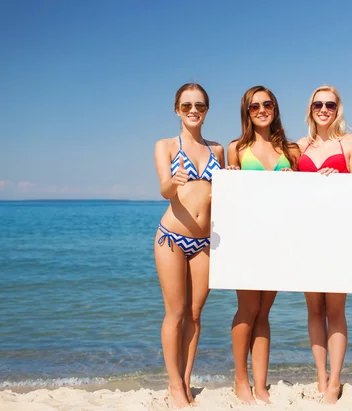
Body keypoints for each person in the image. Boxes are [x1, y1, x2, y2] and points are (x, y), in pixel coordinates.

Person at [226, 85, 300, 404]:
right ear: (246, 111)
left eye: (266, 104)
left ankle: (260, 384)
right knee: (247, 309)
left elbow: (303, 196)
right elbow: (228, 198)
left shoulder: (291, 150)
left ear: (275, 107)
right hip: (246, 238)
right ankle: (240, 380)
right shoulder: (236, 149)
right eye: (254, 106)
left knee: (264, 312)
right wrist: (229, 177)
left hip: (278, 239)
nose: (261, 110)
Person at [153, 83, 224, 408]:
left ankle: (186, 379)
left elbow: (223, 195)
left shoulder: (218, 150)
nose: (193, 111)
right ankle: (174, 385)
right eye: (186, 106)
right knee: (176, 313)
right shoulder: (166, 146)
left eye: (199, 106)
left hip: (206, 241)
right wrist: (173, 182)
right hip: (171, 237)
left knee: (195, 314)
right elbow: (165, 191)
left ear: (206, 110)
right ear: (177, 110)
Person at [296, 85, 352, 403]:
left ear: (338, 109)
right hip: (308, 235)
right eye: (318, 104)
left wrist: (337, 181)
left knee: (335, 310)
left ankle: (335, 380)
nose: (324, 109)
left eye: (330, 104)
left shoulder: (350, 142)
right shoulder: (299, 146)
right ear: (310, 109)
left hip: (340, 236)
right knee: (314, 310)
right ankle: (320, 377)